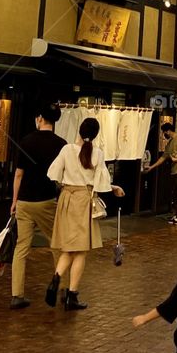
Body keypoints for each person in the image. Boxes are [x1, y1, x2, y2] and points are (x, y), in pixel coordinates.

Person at [46, 117, 123, 310]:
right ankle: (72, 294)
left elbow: (53, 173)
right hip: (83, 200)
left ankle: (56, 278)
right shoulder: (97, 153)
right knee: (80, 250)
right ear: (96, 135)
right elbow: (102, 183)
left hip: (66, 198)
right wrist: (114, 188)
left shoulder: (67, 149)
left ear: (79, 131)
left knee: (68, 248)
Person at [9, 103, 65, 309]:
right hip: (47, 202)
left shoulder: (26, 140)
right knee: (57, 245)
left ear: (40, 118)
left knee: (21, 247)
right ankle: (64, 289)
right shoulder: (61, 144)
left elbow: (18, 173)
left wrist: (14, 200)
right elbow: (61, 177)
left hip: (24, 201)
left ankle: (17, 294)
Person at [146, 123, 177, 226]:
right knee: (175, 193)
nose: (163, 135)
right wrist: (152, 167)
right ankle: (176, 214)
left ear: (168, 131)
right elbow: (163, 157)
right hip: (174, 171)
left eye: (164, 132)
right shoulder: (170, 143)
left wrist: (176, 159)